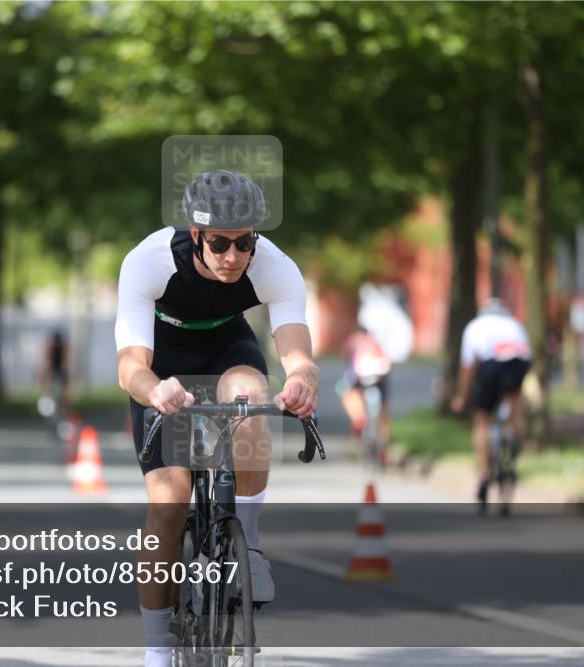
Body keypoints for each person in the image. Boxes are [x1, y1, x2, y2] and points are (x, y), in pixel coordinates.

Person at [115, 170, 318, 667]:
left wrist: (302, 383)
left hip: (227, 347)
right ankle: (157, 648)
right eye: (221, 243)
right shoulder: (149, 262)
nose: (233, 256)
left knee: (250, 395)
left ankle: (247, 546)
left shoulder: (274, 266)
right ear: (196, 234)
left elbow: (299, 354)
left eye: (244, 243)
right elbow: (130, 367)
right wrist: (156, 389)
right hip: (161, 364)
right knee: (170, 502)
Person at [450, 298, 532, 515]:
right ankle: (515, 442)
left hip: (492, 364)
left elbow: (468, 369)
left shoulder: (474, 327)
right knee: (515, 407)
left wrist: (462, 397)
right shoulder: (515, 325)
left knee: (483, 420)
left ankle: (485, 475)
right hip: (518, 363)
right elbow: (527, 355)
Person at [341, 325, 393, 463]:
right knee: (384, 409)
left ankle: (358, 417)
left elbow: (346, 356)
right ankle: (384, 446)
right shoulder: (375, 341)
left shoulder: (353, 340)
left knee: (347, 393)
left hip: (361, 374)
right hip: (381, 375)